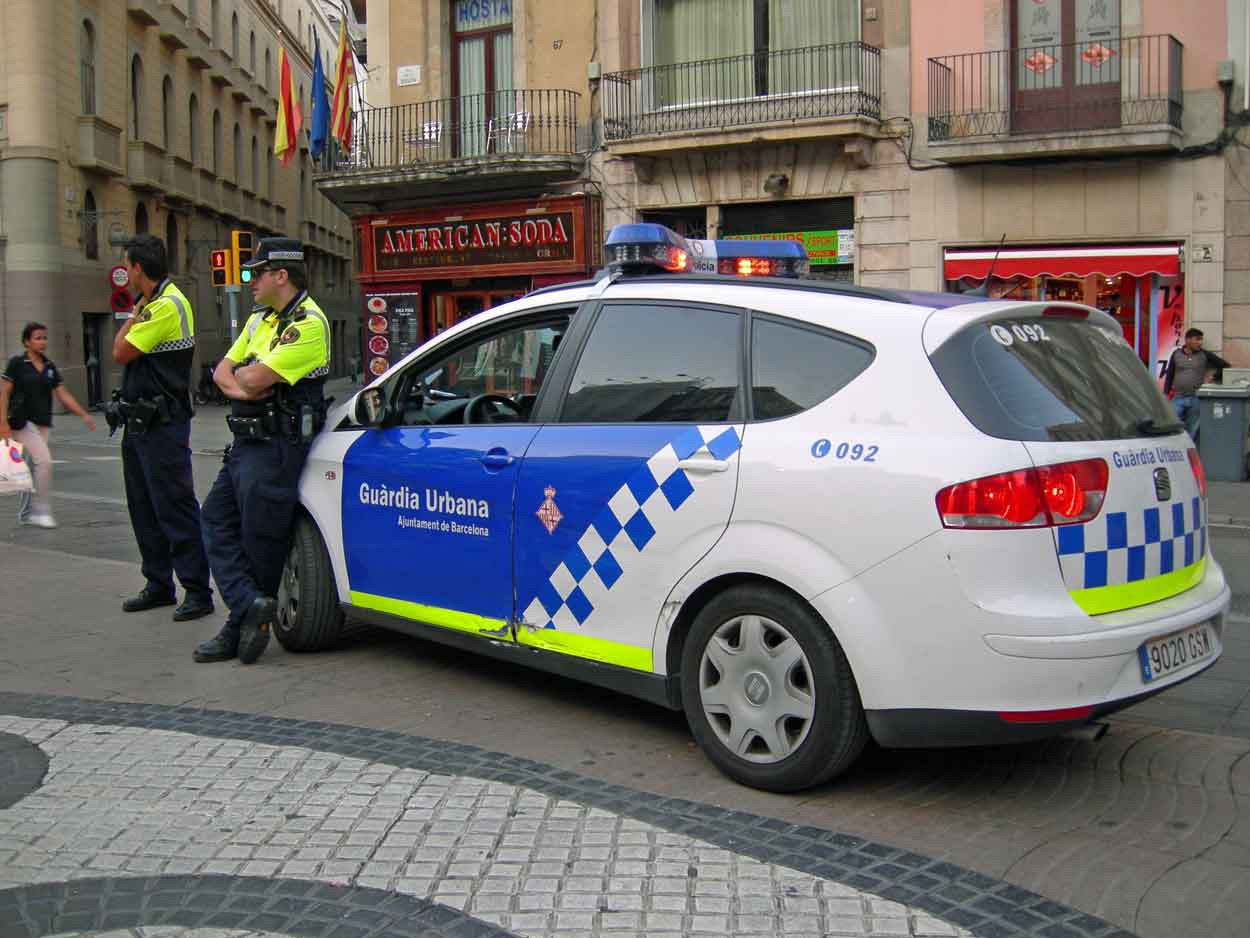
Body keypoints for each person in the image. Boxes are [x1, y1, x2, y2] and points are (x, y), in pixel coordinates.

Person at [195, 238, 331, 665]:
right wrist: (244, 382)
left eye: (256, 273)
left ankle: (242, 621)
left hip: (277, 446)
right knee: (214, 518)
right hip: (245, 443)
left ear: (281, 275)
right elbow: (222, 372)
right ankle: (247, 604)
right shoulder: (259, 320)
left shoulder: (309, 324)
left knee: (260, 540)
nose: (249, 280)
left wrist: (245, 383)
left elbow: (251, 381)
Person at [113, 233, 214, 622]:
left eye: (127, 266)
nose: (125, 273)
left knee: (173, 505)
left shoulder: (166, 305)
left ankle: (196, 590)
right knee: (143, 506)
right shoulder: (154, 302)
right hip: (140, 421)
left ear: (139, 269)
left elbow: (120, 351)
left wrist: (133, 317)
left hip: (163, 424)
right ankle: (158, 583)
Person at [0, 322, 97, 527]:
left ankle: (26, 512)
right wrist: (2, 423)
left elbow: (63, 394)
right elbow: (4, 393)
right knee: (44, 461)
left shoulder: (49, 367)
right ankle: (41, 511)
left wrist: (83, 415)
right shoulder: (17, 363)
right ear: (27, 341)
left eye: (44, 338)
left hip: (43, 422)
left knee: (30, 466)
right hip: (22, 421)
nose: (42, 342)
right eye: (37, 338)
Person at [1163, 328, 1230, 440]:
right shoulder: (1176, 354)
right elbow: (1170, 373)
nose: (1200, 342)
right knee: (1171, 424)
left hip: (1196, 398)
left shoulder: (1204, 354)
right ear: (1188, 340)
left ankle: (1189, 452)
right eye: (1197, 339)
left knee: (1192, 429)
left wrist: (1213, 377)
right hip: (1178, 397)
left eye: (1201, 340)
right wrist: (1165, 392)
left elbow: (1225, 366)